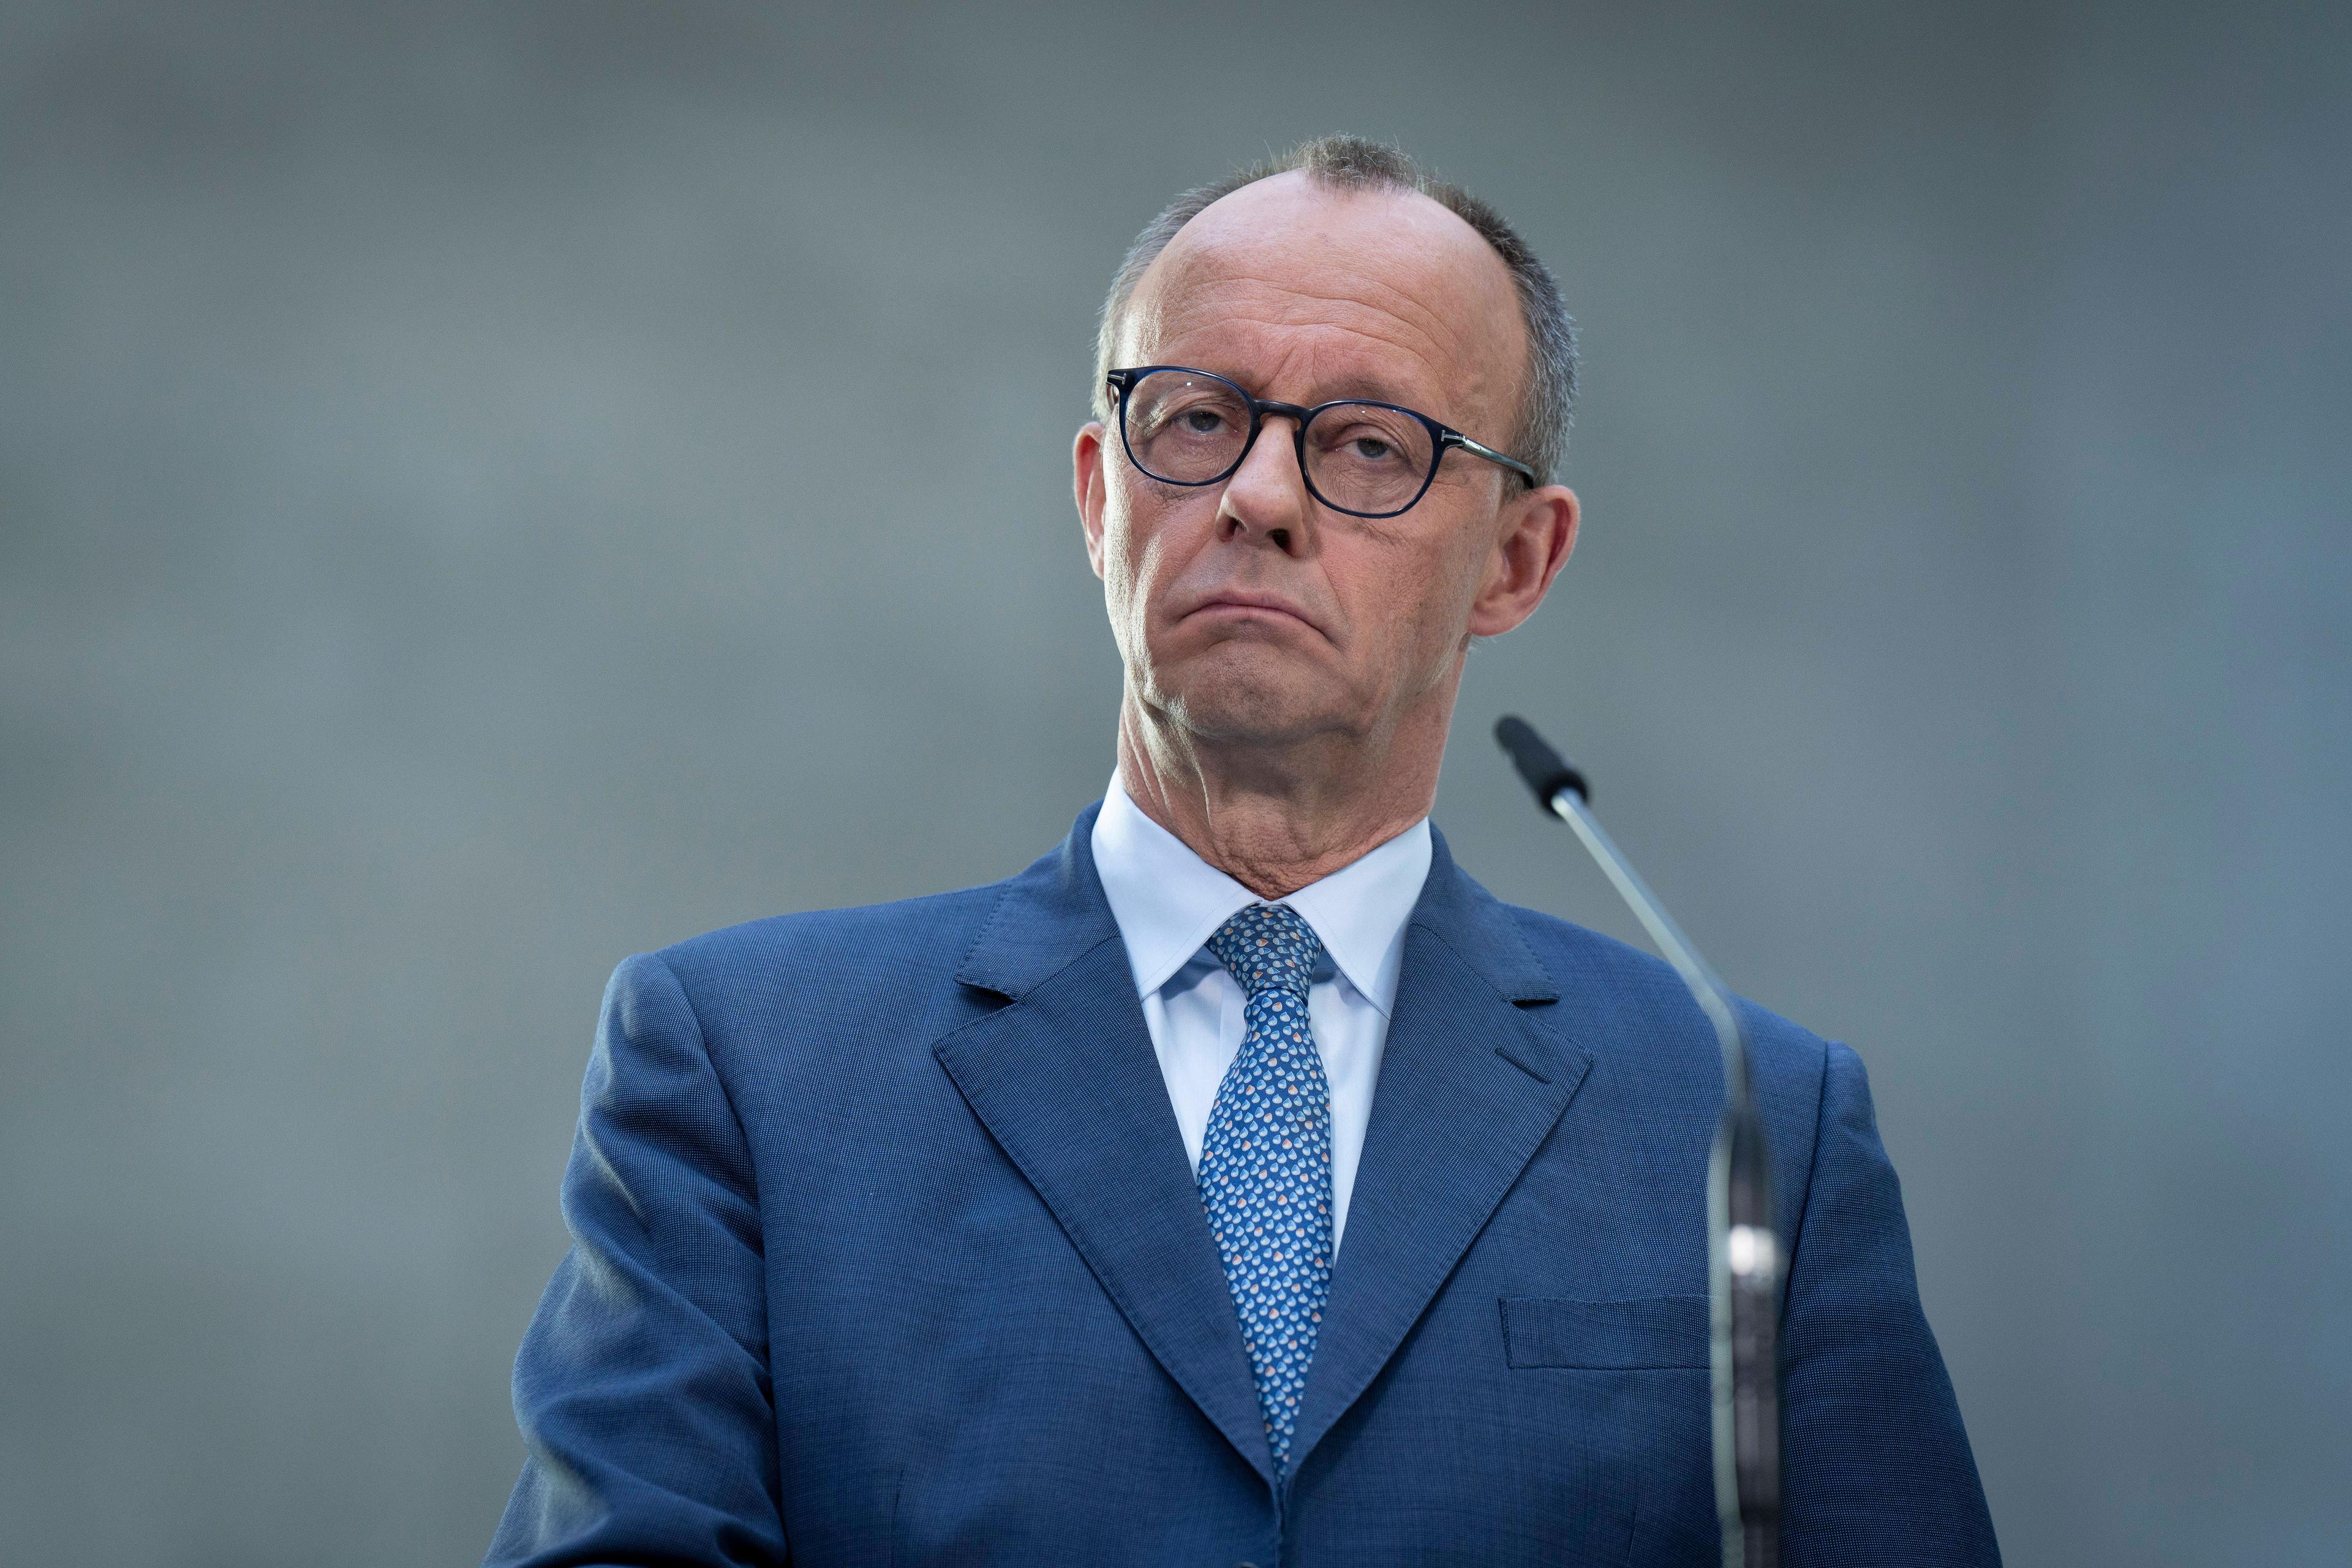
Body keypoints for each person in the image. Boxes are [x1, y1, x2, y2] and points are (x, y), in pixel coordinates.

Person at [484, 136, 1999, 1566]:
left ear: (1518, 561)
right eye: (1198, 419)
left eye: (1367, 443)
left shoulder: (1751, 1121)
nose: (1260, 497)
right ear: (1099, 494)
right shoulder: (749, 1067)